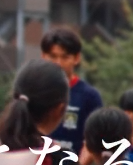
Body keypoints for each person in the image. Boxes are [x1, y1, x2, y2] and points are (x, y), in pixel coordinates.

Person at [41, 26, 103, 154]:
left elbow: (94, 141)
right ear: (43, 56)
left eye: (65, 57)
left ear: (76, 58)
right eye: (53, 56)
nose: (58, 63)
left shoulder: (90, 96)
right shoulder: (32, 91)